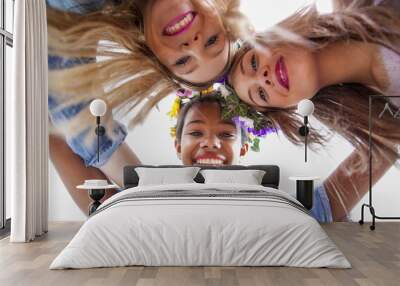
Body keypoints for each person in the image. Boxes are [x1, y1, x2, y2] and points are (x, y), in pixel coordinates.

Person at [227, 0, 400, 221]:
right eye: (261, 94)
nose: (262, 78)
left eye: (253, 63)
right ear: (288, 108)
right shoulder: (385, 120)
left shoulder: (363, 4)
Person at [50, 93, 254, 214]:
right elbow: (55, 140)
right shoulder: (131, 205)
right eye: (196, 132)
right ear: (178, 146)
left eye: (227, 134)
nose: (210, 142)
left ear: (244, 149)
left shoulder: (257, 207)